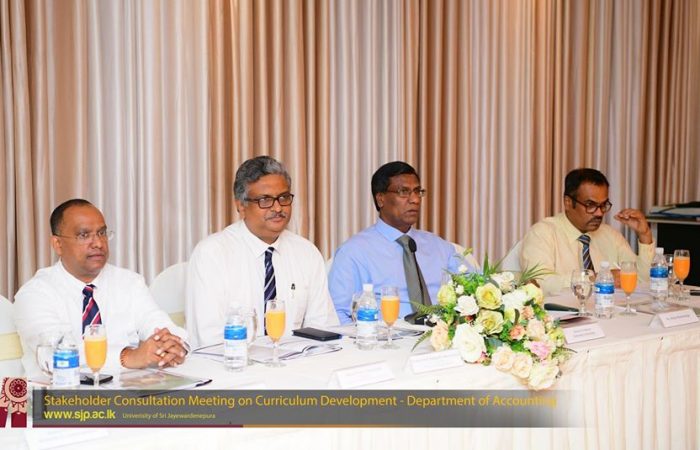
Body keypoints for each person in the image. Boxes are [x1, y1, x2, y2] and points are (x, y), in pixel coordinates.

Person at [14, 199, 188, 376]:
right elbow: (55, 352)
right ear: (58, 244)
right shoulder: (34, 294)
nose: (98, 243)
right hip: (57, 390)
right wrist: (127, 357)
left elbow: (158, 324)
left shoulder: (129, 282)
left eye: (102, 233)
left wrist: (172, 346)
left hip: (125, 389)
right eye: (84, 235)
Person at [186, 156, 339, 347]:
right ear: (241, 205)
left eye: (284, 198)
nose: (278, 208)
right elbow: (209, 339)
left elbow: (323, 328)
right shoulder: (212, 254)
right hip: (234, 362)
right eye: (265, 200)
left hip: (296, 361)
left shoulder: (307, 253)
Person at [328, 161, 471, 324]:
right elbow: (337, 313)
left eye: (417, 191)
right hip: (386, 337)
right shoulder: (353, 252)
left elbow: (478, 290)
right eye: (404, 192)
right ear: (380, 199)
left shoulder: (441, 248)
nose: (415, 200)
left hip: (441, 335)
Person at [519, 168, 655, 294]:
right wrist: (594, 278)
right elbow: (540, 283)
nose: (599, 213)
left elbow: (643, 280)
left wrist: (645, 235)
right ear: (568, 202)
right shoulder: (542, 233)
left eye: (603, 205)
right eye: (590, 205)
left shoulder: (610, 235)